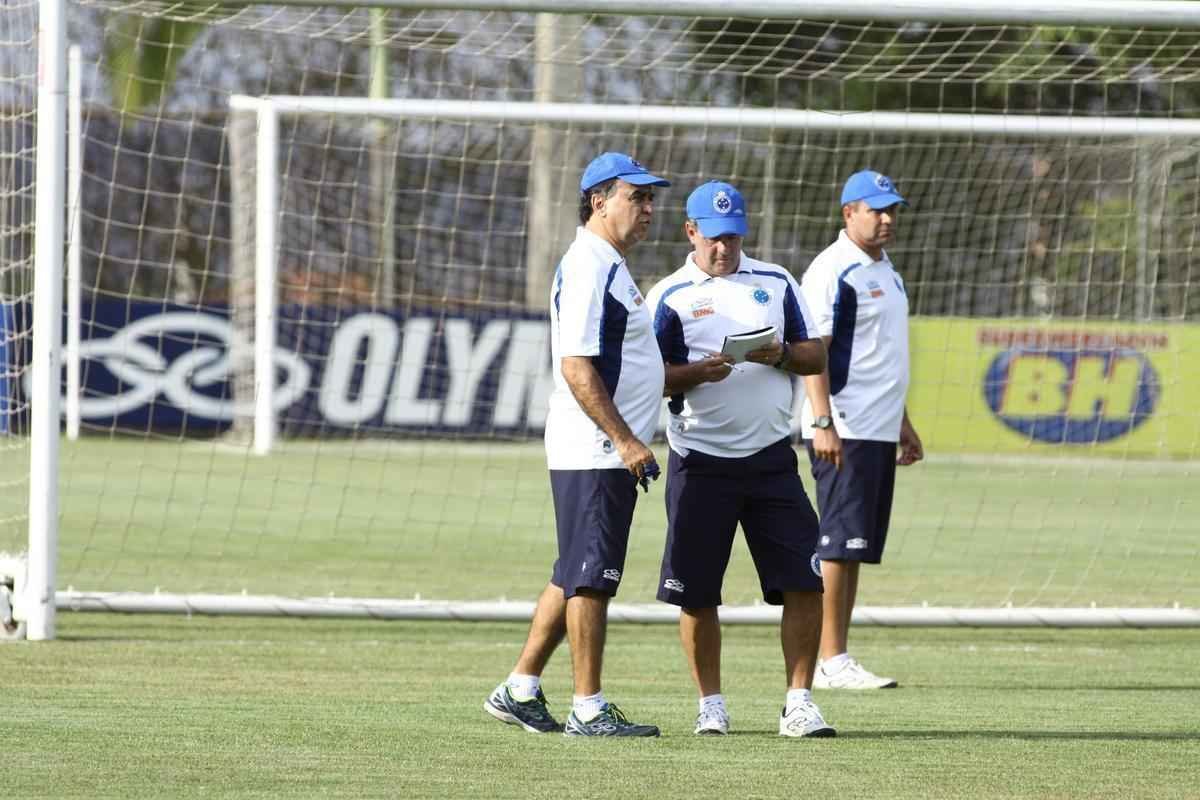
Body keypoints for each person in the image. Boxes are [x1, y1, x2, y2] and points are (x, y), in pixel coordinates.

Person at [484, 152, 668, 737]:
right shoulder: (590, 264)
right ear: (599, 201)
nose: (648, 209)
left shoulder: (606, 262)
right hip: (596, 450)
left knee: (573, 571)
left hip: (598, 449)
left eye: (649, 198)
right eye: (636, 197)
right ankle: (588, 707)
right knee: (591, 575)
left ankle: (520, 687)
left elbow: (629, 363)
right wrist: (626, 440)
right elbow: (576, 366)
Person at [645, 180, 835, 738]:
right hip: (700, 461)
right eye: (713, 238)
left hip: (772, 460)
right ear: (690, 232)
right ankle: (711, 704)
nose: (723, 248)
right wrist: (696, 373)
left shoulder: (776, 281)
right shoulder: (669, 296)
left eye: (732, 237)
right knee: (697, 592)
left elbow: (814, 352)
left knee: (805, 582)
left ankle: (798, 702)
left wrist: (780, 354)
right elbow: (648, 378)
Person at [799, 169, 924, 690]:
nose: (887, 218)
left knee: (855, 548)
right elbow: (814, 351)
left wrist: (903, 422)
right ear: (848, 212)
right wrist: (823, 420)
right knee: (836, 544)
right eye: (877, 209)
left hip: (877, 426)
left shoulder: (887, 270)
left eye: (892, 208)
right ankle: (830, 661)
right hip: (843, 426)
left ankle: (838, 655)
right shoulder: (833, 270)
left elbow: (882, 355)